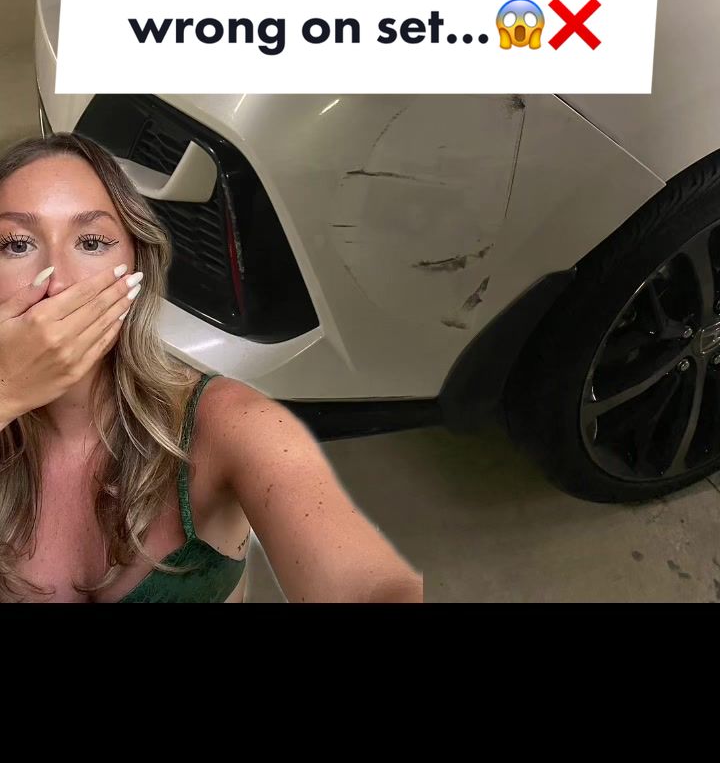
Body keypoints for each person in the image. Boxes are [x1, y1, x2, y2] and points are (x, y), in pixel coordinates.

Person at [0, 133, 422, 604]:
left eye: (92, 242)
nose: (58, 283)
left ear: (138, 264)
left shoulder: (232, 422)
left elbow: (372, 586)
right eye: (17, 245)